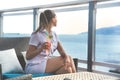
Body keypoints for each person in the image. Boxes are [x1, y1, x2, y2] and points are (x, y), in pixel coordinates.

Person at [25, 9, 76, 74]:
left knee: (68, 70)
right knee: (68, 59)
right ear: (52, 19)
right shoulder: (37, 34)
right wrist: (41, 49)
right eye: (56, 17)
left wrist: (66, 57)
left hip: (46, 63)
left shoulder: (53, 34)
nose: (57, 20)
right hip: (35, 65)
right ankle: (77, 77)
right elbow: (28, 56)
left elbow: (62, 51)